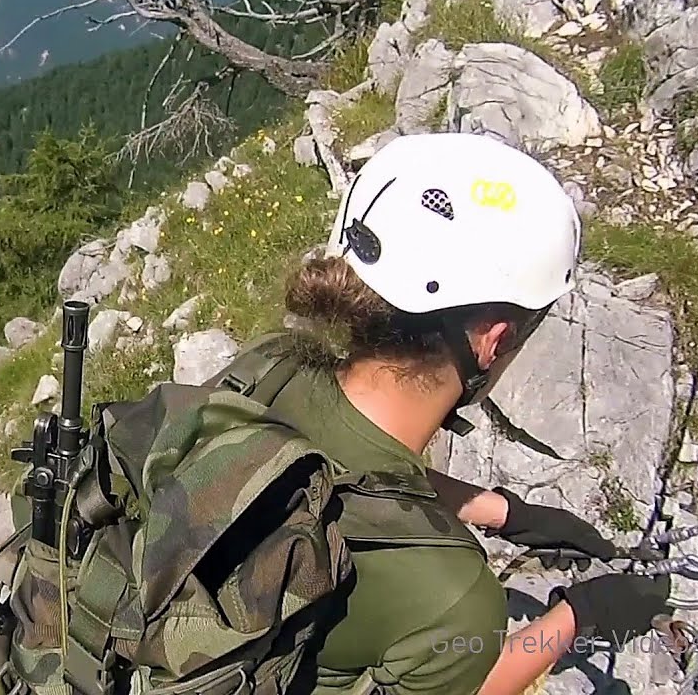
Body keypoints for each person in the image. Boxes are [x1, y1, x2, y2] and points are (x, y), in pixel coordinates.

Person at [250, 131, 671, 694]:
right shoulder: (451, 596)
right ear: (494, 342)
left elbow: (341, 468)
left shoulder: (270, 368)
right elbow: (477, 684)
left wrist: (505, 514)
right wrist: (577, 616)